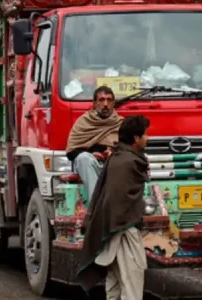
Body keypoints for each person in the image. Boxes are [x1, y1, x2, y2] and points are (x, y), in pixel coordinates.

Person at [77, 115, 151, 299]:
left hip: (113, 229)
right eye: (146, 134)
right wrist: (121, 225)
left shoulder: (120, 158)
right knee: (132, 283)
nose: (148, 138)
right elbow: (117, 199)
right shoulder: (127, 162)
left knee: (115, 285)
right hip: (123, 230)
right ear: (136, 138)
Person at [66, 86, 124, 201]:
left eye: (109, 100)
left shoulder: (121, 123)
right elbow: (71, 152)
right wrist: (92, 154)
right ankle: (96, 206)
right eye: (101, 100)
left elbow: (129, 148)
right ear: (94, 103)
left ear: (113, 103)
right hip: (90, 166)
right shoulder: (83, 122)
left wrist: (112, 152)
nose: (105, 104)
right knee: (84, 158)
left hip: (113, 166)